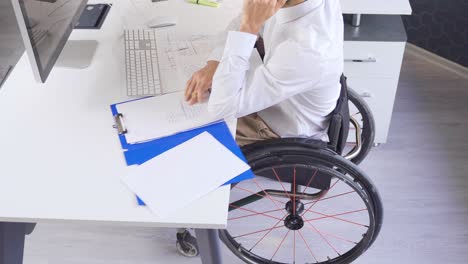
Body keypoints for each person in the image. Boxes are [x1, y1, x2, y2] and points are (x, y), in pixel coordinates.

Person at [184, 0, 344, 146]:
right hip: (275, 98)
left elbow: (220, 108)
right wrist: (215, 61)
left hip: (277, 130)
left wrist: (249, 28)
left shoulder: (305, 51)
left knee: (187, 139)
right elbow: (243, 18)